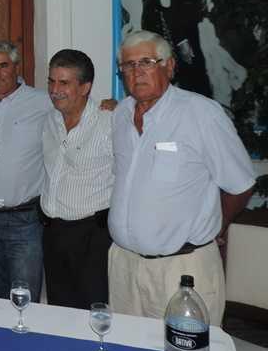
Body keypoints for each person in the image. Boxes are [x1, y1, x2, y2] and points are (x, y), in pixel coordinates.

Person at [108, 30, 255, 326]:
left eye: (147, 62)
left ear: (170, 66)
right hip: (124, 267)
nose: (137, 72)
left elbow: (241, 185)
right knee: (126, 350)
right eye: (128, 65)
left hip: (182, 270)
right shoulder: (120, 115)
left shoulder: (201, 114)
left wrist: (216, 227)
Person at [0, 40, 51, 301]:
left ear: (16, 67)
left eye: (3, 66)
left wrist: (109, 106)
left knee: (23, 298)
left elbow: (77, 109)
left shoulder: (42, 102)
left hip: (24, 221)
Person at [41, 49, 114, 310]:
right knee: (60, 313)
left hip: (93, 237)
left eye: (64, 83)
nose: (54, 90)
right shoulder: (49, 120)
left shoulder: (109, 122)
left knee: (94, 313)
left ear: (85, 87)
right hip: (53, 233)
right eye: (51, 81)